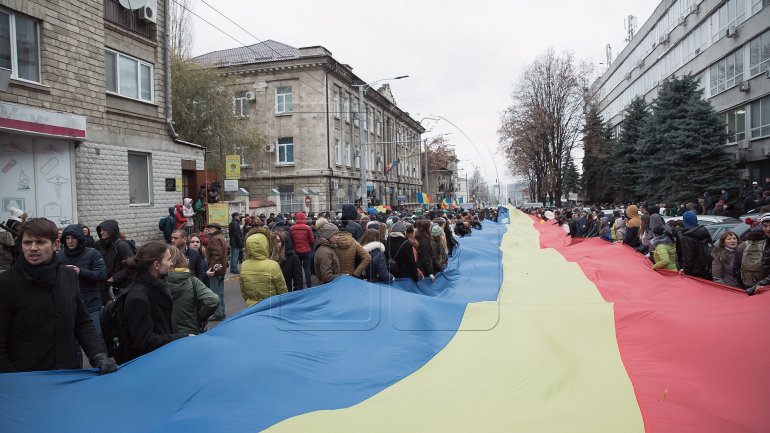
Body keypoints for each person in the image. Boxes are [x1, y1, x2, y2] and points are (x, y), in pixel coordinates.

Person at [0, 218, 117, 374]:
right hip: (27, 379)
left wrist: (98, 355)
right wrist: (12, 379)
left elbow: (82, 322)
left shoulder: (68, 276)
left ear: (55, 244)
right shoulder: (7, 283)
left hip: (67, 373)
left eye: (40, 242)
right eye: (27, 243)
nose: (32, 248)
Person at [121, 241, 190, 362]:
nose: (171, 263)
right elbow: (145, 341)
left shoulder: (158, 285)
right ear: (156, 265)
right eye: (168, 260)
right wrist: (181, 338)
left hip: (164, 356)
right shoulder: (138, 297)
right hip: (152, 363)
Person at [57, 224, 107, 337]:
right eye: (67, 238)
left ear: (79, 238)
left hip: (91, 304)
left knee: (96, 336)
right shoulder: (59, 257)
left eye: (73, 238)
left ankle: (101, 355)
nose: (70, 241)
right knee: (72, 340)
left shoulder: (92, 253)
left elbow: (101, 274)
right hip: (69, 304)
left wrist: (80, 272)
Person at [166, 246, 219, 335]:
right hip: (190, 332)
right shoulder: (192, 281)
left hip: (166, 335)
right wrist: (200, 317)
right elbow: (213, 300)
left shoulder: (155, 283)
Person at [240, 227, 287, 306]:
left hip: (251, 306)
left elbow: (243, 290)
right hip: (270, 305)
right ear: (265, 245)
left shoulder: (244, 264)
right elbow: (281, 289)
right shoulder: (273, 265)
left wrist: (249, 301)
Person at [96, 219, 134, 302]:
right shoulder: (101, 245)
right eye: (101, 230)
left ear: (112, 230)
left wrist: (114, 278)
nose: (101, 232)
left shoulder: (122, 246)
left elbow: (131, 266)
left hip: (119, 287)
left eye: (104, 230)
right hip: (104, 286)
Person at [675, 210, 712, 280]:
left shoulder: (687, 237)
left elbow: (688, 259)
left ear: (684, 221)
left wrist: (686, 272)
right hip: (707, 268)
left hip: (695, 273)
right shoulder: (703, 231)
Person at [204, 223, 228, 320]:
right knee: (220, 292)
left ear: (215, 229)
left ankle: (218, 313)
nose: (208, 229)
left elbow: (216, 254)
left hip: (216, 269)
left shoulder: (214, 238)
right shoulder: (220, 237)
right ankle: (221, 312)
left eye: (210, 228)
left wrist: (212, 268)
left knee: (215, 293)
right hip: (222, 268)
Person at [290, 212, 314, 289]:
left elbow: (291, 240)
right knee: (307, 268)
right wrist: (309, 246)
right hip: (307, 250)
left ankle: (299, 285)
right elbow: (312, 240)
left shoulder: (292, 228)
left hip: (297, 251)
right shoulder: (308, 228)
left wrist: (294, 247)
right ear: (304, 218)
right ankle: (309, 285)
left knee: (298, 269)